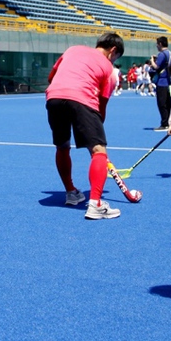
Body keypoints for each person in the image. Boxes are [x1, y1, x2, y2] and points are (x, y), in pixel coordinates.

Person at [45, 33, 125, 219]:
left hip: (53, 97)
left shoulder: (73, 49)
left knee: (62, 146)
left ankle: (71, 193)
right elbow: (101, 105)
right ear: (113, 50)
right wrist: (96, 142)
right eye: (116, 57)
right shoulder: (109, 70)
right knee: (99, 151)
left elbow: (52, 77)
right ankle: (96, 204)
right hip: (82, 99)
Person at [153, 36, 171, 129]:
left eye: (157, 44)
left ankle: (164, 123)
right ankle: (169, 121)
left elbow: (156, 67)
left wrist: (152, 61)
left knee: (162, 103)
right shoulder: (170, 54)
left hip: (161, 81)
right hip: (169, 81)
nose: (157, 46)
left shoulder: (161, 54)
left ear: (160, 44)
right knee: (168, 103)